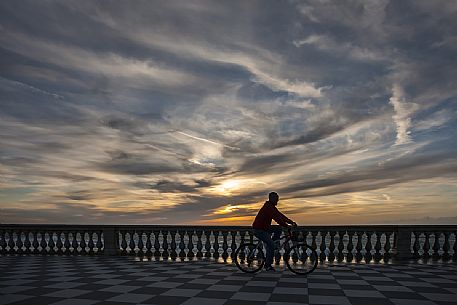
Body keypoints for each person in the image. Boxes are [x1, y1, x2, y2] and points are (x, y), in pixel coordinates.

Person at [252, 192, 296, 271]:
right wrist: (286, 226)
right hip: (259, 230)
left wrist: (290, 222)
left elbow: (280, 215)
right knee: (271, 245)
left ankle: (275, 242)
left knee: (278, 229)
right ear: (272, 199)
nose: (277, 201)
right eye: (276, 199)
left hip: (265, 228)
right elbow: (277, 218)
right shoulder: (268, 207)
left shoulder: (271, 207)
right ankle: (267, 265)